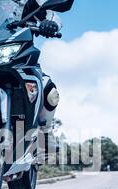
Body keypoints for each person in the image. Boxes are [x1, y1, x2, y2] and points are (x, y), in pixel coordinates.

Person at [19, 0, 74, 153]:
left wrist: (52, 24)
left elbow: (51, 15)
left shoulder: (27, 3)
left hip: (18, 58)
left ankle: (46, 133)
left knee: (49, 91)